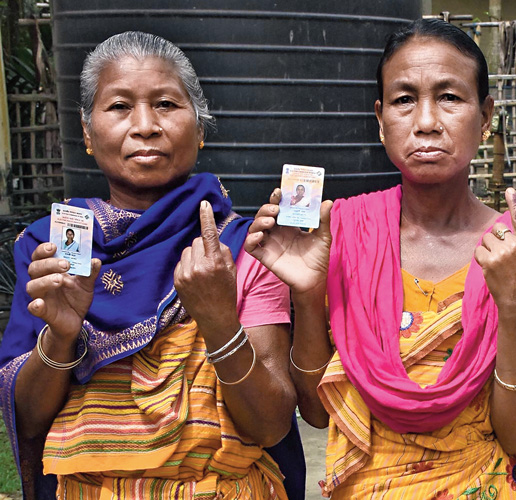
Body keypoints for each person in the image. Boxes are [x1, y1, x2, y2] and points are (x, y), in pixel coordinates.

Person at [245, 19, 516, 499]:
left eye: (450, 97)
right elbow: (315, 412)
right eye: (404, 99)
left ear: (486, 114)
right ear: (380, 117)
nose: (427, 121)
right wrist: (307, 295)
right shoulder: (343, 233)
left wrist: (514, 307)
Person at [0, 32, 307, 499]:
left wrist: (220, 319)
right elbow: (29, 417)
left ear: (200, 128)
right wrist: (61, 335)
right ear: (86, 132)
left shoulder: (246, 249)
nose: (145, 125)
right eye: (120, 107)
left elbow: (269, 424)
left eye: (165, 104)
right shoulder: (53, 250)